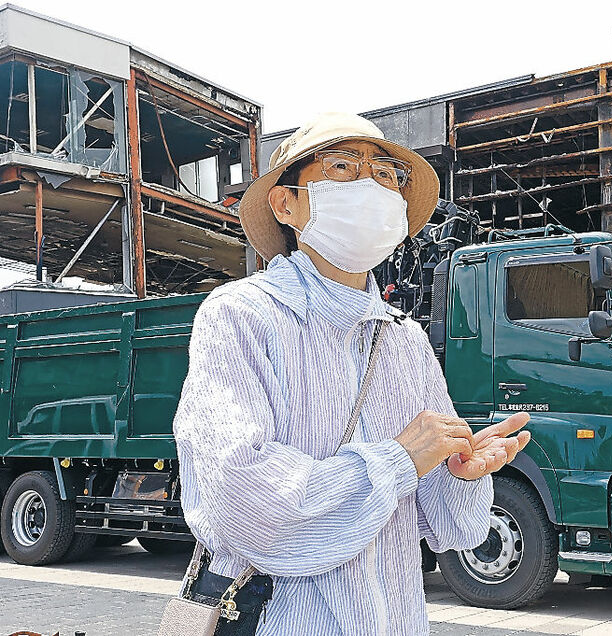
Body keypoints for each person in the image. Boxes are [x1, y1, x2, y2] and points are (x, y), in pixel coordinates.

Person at [172, 111, 531, 635]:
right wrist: (398, 461)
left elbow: (451, 529)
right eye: (342, 166)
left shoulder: (406, 342)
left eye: (386, 175)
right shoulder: (240, 315)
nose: (371, 185)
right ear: (286, 203)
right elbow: (241, 493)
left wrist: (458, 475)